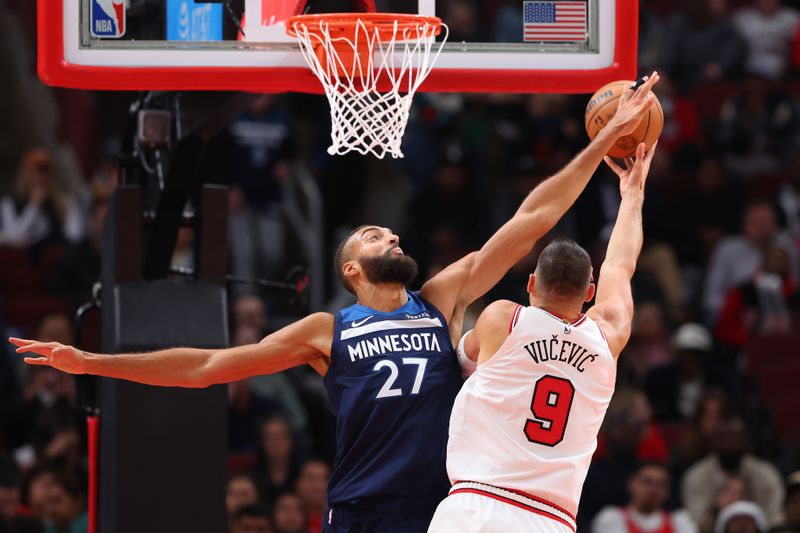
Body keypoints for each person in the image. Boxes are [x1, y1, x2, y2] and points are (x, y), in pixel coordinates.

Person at [10, 75, 660, 533]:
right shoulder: (328, 329)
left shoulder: (441, 300)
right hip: (357, 508)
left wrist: (605, 144)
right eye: (376, 235)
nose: (392, 234)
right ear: (351, 267)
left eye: (391, 231)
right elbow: (206, 365)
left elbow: (532, 218)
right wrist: (97, 362)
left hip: (443, 506)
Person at [428, 139, 658, 532]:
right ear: (589, 293)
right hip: (550, 520)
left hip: (474, 506)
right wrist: (633, 193)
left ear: (531, 283)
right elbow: (620, 265)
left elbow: (450, 362)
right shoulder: (609, 336)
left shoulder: (502, 319)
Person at [592, 462, 697, 533]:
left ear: (667, 492)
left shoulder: (680, 521)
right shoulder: (611, 518)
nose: (654, 490)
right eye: (647, 482)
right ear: (632, 484)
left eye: (661, 484)